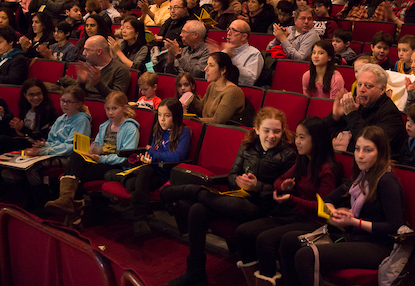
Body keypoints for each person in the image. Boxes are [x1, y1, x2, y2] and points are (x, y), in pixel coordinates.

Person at [160, 106, 296, 286]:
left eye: (277, 131)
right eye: (266, 130)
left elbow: (285, 192)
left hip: (265, 208)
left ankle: (192, 191)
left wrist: (257, 186)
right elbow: (232, 175)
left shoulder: (289, 154)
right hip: (236, 196)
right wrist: (239, 181)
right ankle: (195, 272)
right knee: (198, 210)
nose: (271, 136)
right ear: (256, 129)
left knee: (234, 205)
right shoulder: (248, 145)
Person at [280, 125, 405, 286]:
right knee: (289, 240)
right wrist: (334, 213)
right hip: (354, 237)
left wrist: (354, 222)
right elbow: (327, 200)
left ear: (380, 153)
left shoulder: (387, 181)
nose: (360, 155)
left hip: (378, 246)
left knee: (306, 256)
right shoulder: (360, 177)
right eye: (358, 149)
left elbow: (394, 227)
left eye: (368, 150)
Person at [234, 116, 341, 286]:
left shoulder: (327, 169)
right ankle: (256, 281)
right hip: (294, 215)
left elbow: (324, 209)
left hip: (314, 223)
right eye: (297, 136)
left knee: (265, 239)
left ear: (317, 140)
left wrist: (292, 199)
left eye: (302, 137)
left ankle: (273, 281)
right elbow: (279, 181)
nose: (297, 141)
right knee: (243, 231)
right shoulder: (304, 160)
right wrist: (283, 186)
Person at [44, 91, 139, 227]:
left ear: (124, 108)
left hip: (116, 165)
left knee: (79, 175)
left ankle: (72, 212)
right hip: (99, 159)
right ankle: (67, 202)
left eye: (114, 108)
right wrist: (93, 148)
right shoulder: (105, 125)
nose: (110, 112)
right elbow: (99, 145)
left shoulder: (131, 128)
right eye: (108, 109)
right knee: (77, 156)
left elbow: (125, 158)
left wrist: (100, 158)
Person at [112, 98, 190, 236]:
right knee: (134, 181)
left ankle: (139, 217)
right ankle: (140, 216)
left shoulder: (184, 132)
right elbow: (153, 152)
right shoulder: (158, 130)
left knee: (137, 179)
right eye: (159, 115)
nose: (162, 119)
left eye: (167, 116)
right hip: (152, 169)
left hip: (166, 174)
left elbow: (177, 156)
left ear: (176, 116)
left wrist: (153, 153)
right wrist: (149, 157)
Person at [325, 63, 406, 153]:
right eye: (359, 84)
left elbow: (371, 143)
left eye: (368, 86)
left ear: (382, 90)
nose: (361, 89)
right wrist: (334, 117)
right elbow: (321, 132)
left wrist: (352, 114)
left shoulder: (391, 114)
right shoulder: (356, 104)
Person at [183, 52, 246, 124]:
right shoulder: (212, 85)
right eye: (207, 64)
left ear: (223, 70)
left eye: (211, 65)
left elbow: (217, 121)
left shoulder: (233, 92)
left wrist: (189, 119)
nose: (206, 69)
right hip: (206, 128)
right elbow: (201, 109)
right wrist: (189, 96)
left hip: (220, 132)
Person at [77, 35, 131, 99]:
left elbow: (117, 99)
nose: (83, 53)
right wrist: (81, 82)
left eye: (87, 50)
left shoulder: (120, 70)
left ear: (99, 51)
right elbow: (76, 96)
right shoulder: (87, 66)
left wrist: (98, 84)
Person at [219, 20, 263, 86]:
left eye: (233, 30)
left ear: (243, 37)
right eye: (228, 29)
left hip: (239, 92)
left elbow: (249, 81)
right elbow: (209, 77)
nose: (228, 33)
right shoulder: (224, 52)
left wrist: (231, 59)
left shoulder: (254, 54)